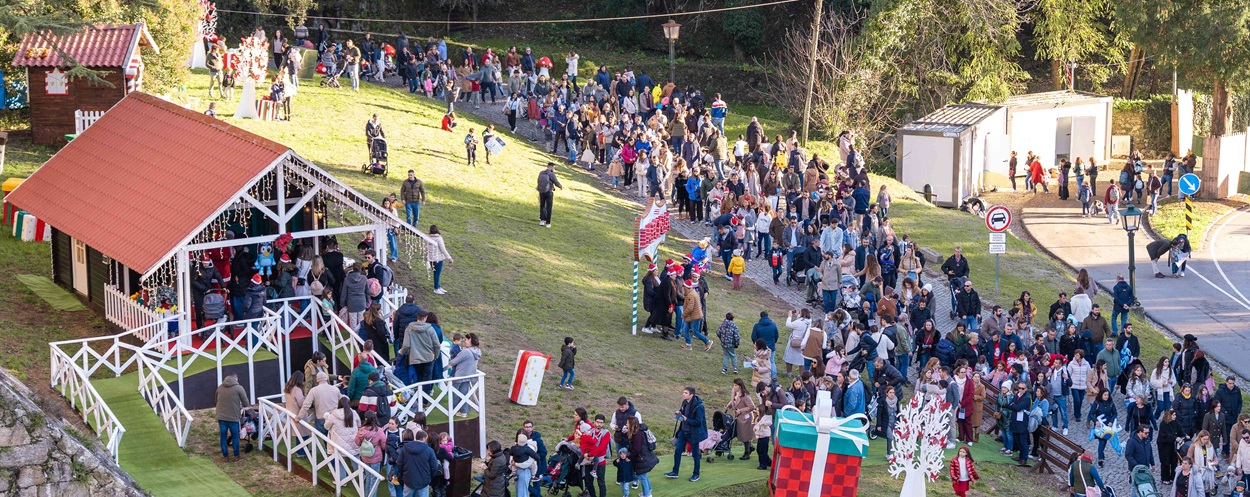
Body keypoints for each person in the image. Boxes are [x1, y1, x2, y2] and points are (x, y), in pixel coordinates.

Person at [665, 386, 707, 482]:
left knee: (695, 454)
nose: (683, 394)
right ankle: (675, 472)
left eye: (685, 393)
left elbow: (698, 422)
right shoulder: (684, 403)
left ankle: (696, 474)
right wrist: (680, 413)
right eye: (683, 392)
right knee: (677, 451)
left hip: (693, 433)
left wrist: (686, 419)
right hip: (683, 432)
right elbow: (684, 414)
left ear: (691, 395)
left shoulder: (699, 407)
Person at [215, 373, 249, 462]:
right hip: (233, 417)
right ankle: (236, 456)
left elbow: (216, 399)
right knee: (235, 436)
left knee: (223, 436)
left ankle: (225, 456)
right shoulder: (239, 388)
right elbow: (246, 403)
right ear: (236, 379)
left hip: (221, 416)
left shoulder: (220, 387)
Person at [396, 429, 440, 497]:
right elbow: (434, 467)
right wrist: (429, 477)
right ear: (424, 438)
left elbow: (399, 464)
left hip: (408, 479)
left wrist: (403, 475)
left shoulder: (405, 448)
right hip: (423, 481)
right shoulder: (429, 450)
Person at [447, 333, 481, 416]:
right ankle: (464, 411)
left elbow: (454, 361)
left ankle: (453, 411)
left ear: (470, 340)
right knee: (465, 394)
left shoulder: (466, 352)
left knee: (454, 394)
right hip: (469, 375)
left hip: (459, 375)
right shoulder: (478, 351)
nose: (464, 341)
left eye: (466, 340)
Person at [355, 411, 387, 494]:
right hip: (375, 457)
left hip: (365, 457)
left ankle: (366, 494)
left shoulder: (361, 430)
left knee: (368, 476)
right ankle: (372, 495)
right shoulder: (379, 431)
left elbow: (357, 442)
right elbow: (384, 446)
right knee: (374, 478)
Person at [1124, 424, 1155, 493]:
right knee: (1135, 487)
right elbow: (1128, 455)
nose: (1147, 434)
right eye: (1146, 433)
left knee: (1145, 486)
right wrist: (1136, 466)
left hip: (1145, 467)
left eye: (1148, 433)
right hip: (1136, 468)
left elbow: (1150, 451)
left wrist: (1152, 463)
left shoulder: (1147, 440)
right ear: (1140, 432)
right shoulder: (1131, 441)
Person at [426, 225, 453, 295]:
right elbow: (443, 249)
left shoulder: (427, 237)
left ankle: (438, 286)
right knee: (437, 274)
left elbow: (426, 248)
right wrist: (449, 258)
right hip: (438, 259)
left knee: (436, 273)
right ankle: (436, 288)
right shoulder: (439, 238)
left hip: (431, 259)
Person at [537, 162, 564, 227]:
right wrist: (560, 186)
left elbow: (538, 181)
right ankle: (548, 223)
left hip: (541, 191)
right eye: (554, 167)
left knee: (542, 206)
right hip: (549, 192)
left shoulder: (541, 173)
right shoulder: (551, 174)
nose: (554, 169)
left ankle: (542, 221)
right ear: (551, 167)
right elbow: (556, 182)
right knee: (549, 207)